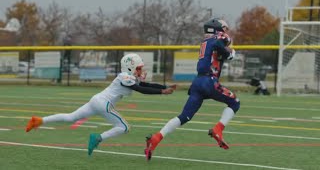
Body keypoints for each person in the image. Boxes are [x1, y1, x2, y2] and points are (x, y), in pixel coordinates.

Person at [25, 53, 176, 156]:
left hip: (96, 100)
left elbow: (148, 84)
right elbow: (141, 89)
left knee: (71, 117)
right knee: (124, 127)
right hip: (103, 103)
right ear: (130, 67)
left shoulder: (128, 76)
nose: (140, 70)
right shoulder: (126, 77)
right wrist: (162, 92)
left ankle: (39, 120)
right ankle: (98, 138)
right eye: (138, 68)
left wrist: (164, 87)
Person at [144, 18, 240, 161]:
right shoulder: (218, 38)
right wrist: (230, 53)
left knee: (184, 116)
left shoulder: (206, 41)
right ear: (219, 29)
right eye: (225, 29)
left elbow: (219, 48)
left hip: (198, 82)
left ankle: (157, 138)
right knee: (235, 102)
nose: (226, 32)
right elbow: (225, 47)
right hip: (209, 81)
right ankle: (218, 129)